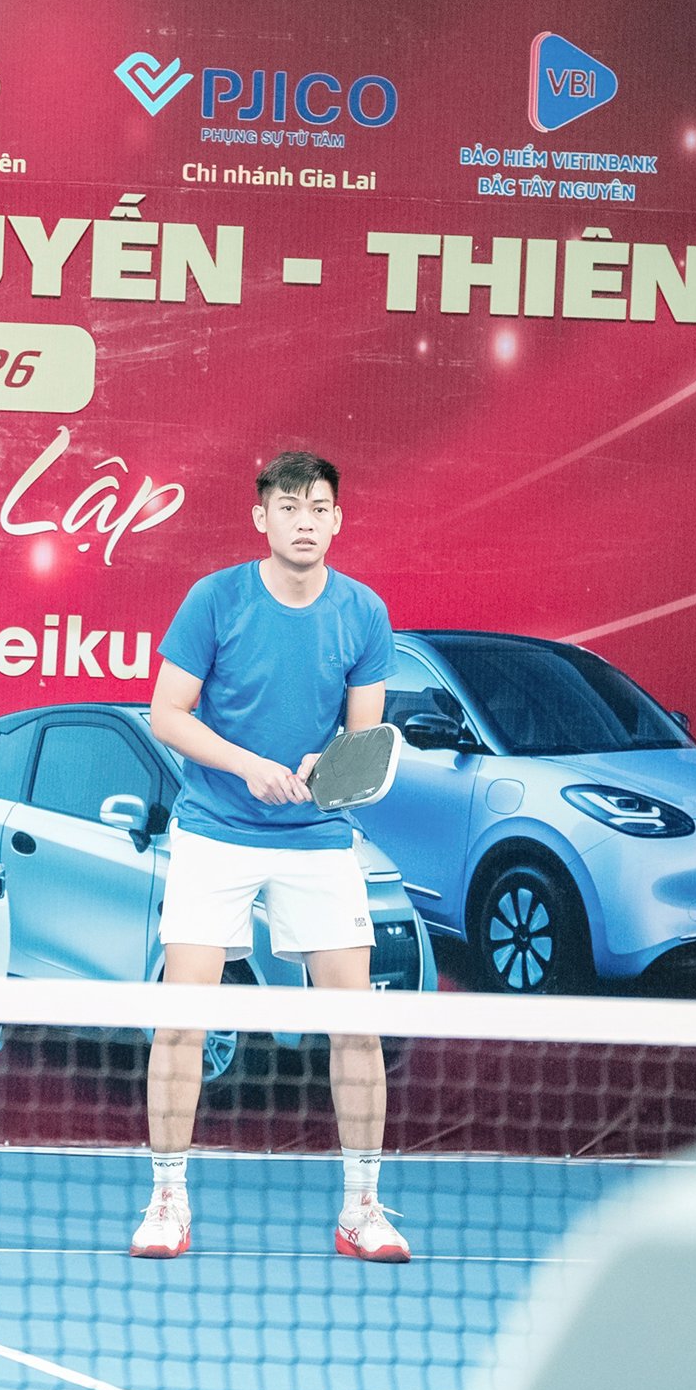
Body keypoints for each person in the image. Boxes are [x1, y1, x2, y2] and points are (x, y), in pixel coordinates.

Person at [134, 449, 410, 1263]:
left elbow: (362, 737)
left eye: (319, 508)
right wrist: (248, 766)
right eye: (289, 508)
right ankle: (166, 1200)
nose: (304, 522)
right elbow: (167, 714)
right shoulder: (215, 599)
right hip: (214, 829)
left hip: (315, 837)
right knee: (182, 1016)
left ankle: (362, 1208)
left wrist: (327, 766)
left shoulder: (363, 613)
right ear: (262, 519)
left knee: (355, 1025)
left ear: (338, 519)